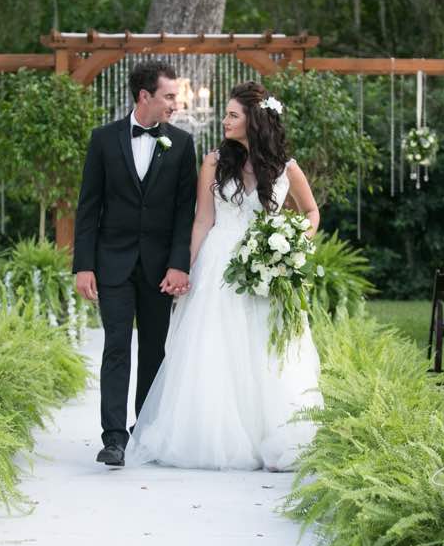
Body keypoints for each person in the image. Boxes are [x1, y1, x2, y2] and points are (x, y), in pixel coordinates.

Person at [125, 81, 324, 471]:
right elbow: (202, 220)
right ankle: (219, 437)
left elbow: (312, 213)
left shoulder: (286, 169)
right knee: (215, 349)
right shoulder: (214, 161)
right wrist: (184, 269)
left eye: (233, 115)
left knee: (266, 350)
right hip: (219, 264)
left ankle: (274, 435)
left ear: (254, 121)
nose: (225, 120)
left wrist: (291, 241)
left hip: (267, 267)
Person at [72, 60, 198, 467]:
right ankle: (113, 438)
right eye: (169, 96)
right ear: (144, 96)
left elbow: (185, 213)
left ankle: (144, 429)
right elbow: (88, 207)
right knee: (116, 345)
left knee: (154, 350)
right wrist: (83, 265)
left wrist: (179, 264)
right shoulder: (104, 140)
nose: (175, 104)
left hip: (161, 267)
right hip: (112, 264)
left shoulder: (181, 145)